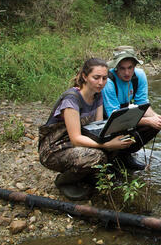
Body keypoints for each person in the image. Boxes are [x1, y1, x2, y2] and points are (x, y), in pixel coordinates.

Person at [38, 58, 136, 200]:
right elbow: (76, 139)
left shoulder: (98, 95)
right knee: (96, 156)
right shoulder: (71, 100)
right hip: (55, 149)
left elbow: (96, 127)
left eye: (104, 78)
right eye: (96, 78)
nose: (101, 82)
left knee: (119, 138)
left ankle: (88, 175)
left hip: (77, 142)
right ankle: (64, 181)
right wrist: (106, 144)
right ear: (84, 76)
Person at [102, 47, 161, 171]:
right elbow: (115, 118)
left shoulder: (139, 76)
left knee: (154, 124)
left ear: (135, 66)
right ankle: (111, 158)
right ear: (116, 67)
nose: (127, 73)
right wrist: (148, 121)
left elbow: (143, 104)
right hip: (106, 121)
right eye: (122, 68)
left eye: (130, 67)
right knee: (149, 123)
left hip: (123, 117)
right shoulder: (108, 80)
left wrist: (155, 118)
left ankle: (124, 156)